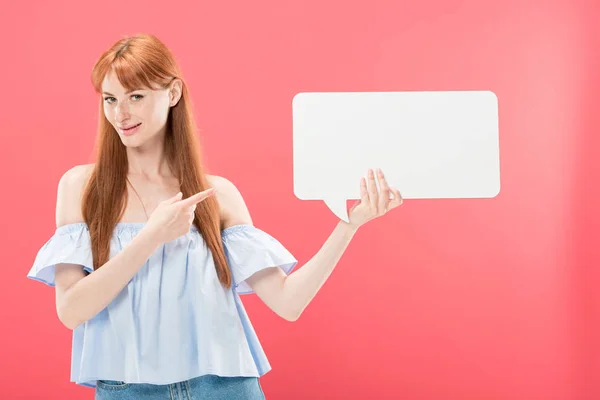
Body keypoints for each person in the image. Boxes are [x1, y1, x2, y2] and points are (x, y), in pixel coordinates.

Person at [27, 33, 403, 400]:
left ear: (172, 93)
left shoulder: (215, 194)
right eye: (110, 99)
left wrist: (349, 225)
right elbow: (72, 310)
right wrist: (151, 236)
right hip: (128, 389)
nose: (119, 113)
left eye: (136, 96)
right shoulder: (83, 187)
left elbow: (288, 302)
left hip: (223, 388)